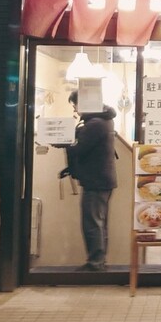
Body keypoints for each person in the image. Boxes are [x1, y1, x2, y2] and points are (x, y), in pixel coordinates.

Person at [55, 90, 118, 272]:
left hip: (96, 180)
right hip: (101, 178)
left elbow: (79, 149)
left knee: (92, 223)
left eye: (75, 105)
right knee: (99, 222)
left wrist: (63, 141)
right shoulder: (103, 119)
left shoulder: (95, 123)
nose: (75, 109)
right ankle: (99, 261)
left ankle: (95, 263)